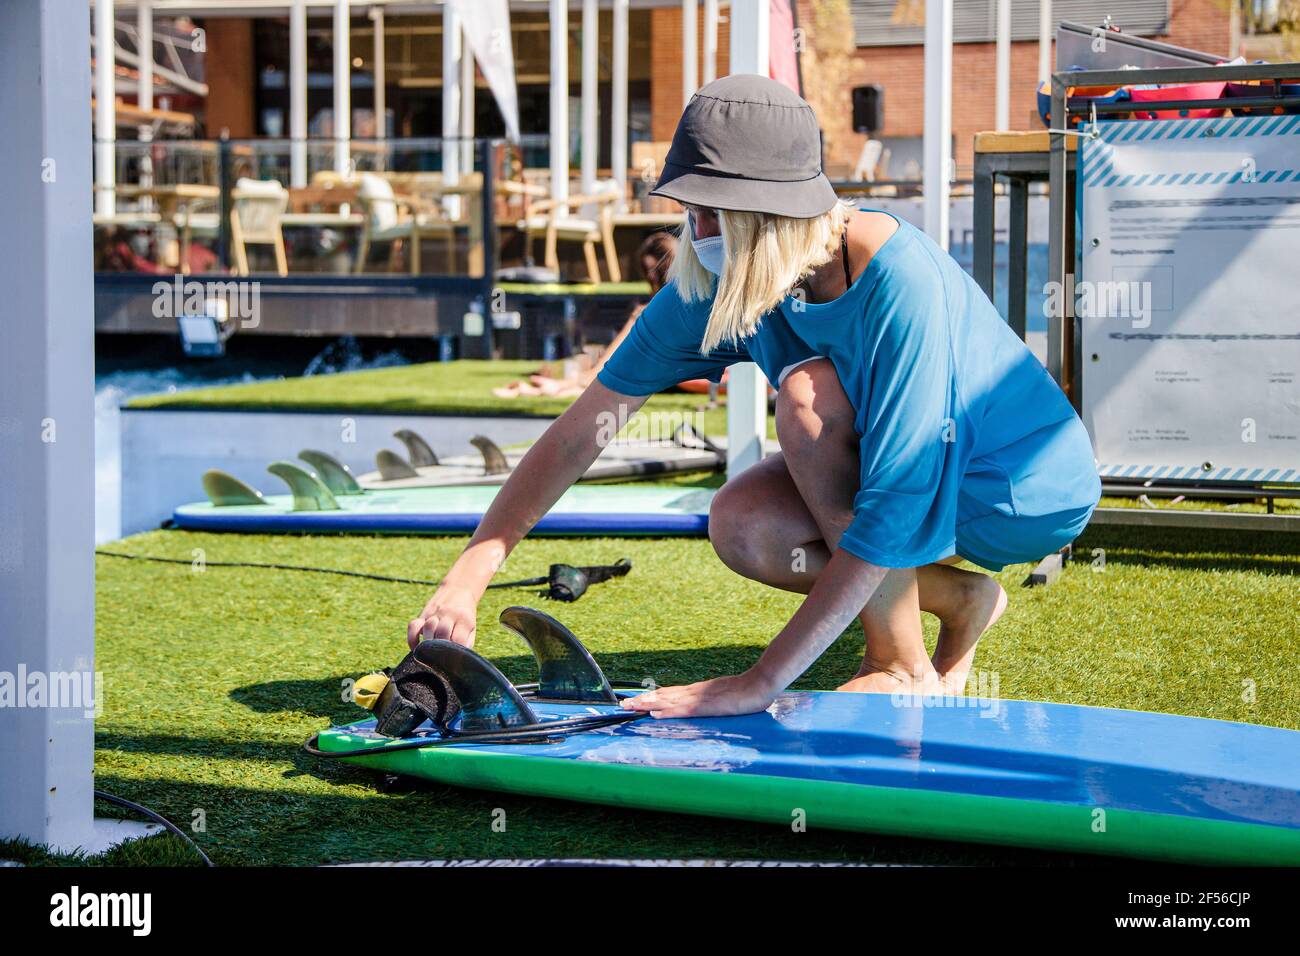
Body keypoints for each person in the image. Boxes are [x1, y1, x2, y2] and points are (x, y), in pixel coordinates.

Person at [409, 75, 1100, 719]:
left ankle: (897, 662)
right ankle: (960, 599)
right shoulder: (715, 279)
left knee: (805, 395)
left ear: (774, 214)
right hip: (918, 495)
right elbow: (581, 431)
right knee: (743, 523)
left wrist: (756, 682)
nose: (699, 235)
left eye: (717, 215)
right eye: (691, 211)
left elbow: (895, 501)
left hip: (1020, 490)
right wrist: (472, 570)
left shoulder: (900, 282)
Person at [491, 232, 678, 398]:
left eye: (656, 272)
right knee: (586, 360)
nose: (652, 278)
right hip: (664, 366)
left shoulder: (666, 307)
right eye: (648, 273)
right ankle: (561, 383)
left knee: (636, 322)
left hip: (676, 371)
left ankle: (561, 385)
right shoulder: (663, 305)